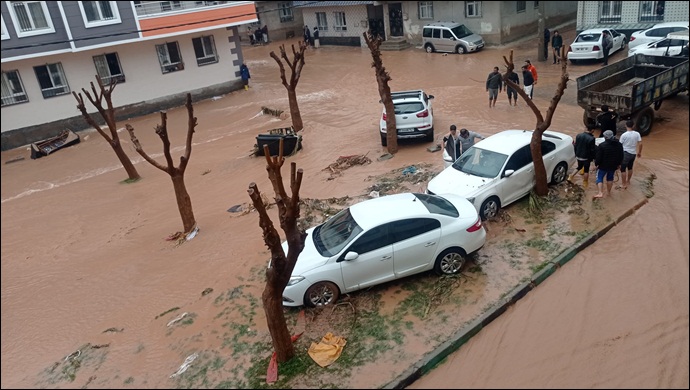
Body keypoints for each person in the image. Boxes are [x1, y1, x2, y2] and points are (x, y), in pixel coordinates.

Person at [594, 130, 624, 199]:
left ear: (605, 137)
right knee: (610, 178)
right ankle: (608, 192)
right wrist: (619, 164)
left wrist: (596, 164)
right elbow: (621, 155)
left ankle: (600, 193)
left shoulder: (602, 145)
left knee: (599, 178)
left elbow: (598, 157)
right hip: (613, 165)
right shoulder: (619, 144)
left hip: (603, 165)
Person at [618, 120, 643, 189]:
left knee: (623, 169)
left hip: (625, 153)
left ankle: (623, 184)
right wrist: (639, 152)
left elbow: (620, 146)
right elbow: (640, 143)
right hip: (633, 153)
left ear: (625, 125)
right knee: (630, 167)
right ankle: (628, 181)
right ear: (633, 126)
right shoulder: (637, 134)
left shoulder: (624, 135)